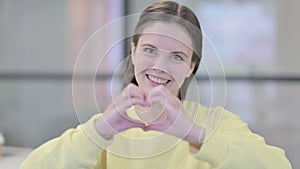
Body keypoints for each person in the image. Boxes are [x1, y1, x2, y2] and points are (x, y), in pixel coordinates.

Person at [21, 1, 292, 169]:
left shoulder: (215, 125)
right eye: (150, 50)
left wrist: (194, 134)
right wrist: (101, 129)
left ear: (191, 67)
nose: (160, 66)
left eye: (177, 56)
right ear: (133, 50)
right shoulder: (106, 128)